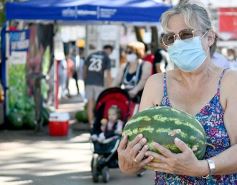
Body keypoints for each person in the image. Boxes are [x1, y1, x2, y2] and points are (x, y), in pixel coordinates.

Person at [118, 1, 237, 184]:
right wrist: (128, 163)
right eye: (170, 38)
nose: (178, 43)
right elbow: (134, 160)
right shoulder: (156, 84)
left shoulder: (230, 82)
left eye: (186, 34)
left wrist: (203, 168)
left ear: (210, 38)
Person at [84, 45, 113, 128]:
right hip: (99, 84)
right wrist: (110, 87)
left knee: (90, 104)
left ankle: (91, 124)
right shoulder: (106, 57)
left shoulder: (91, 55)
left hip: (89, 83)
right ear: (109, 50)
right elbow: (108, 74)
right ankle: (98, 123)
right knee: (99, 104)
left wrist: (85, 81)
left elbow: (85, 70)